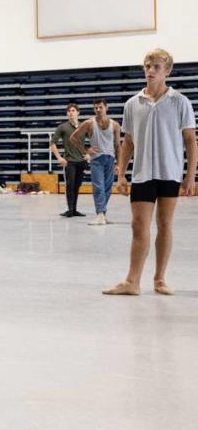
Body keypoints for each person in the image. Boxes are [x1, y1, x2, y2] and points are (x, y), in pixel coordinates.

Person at [103, 49, 196, 296]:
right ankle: (132, 281)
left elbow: (190, 140)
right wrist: (121, 174)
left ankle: (160, 279)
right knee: (138, 225)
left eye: (156, 66)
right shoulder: (132, 104)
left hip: (170, 172)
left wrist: (190, 176)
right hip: (143, 173)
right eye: (147, 65)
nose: (150, 70)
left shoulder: (180, 102)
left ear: (167, 71)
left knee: (165, 224)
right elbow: (128, 142)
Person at [70, 99, 121, 226]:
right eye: (95, 108)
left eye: (100, 107)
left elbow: (117, 145)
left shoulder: (115, 125)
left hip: (110, 159)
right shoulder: (89, 123)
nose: (98, 110)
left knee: (107, 188)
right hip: (97, 160)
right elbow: (73, 138)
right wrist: (86, 150)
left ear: (106, 108)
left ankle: (102, 214)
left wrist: (119, 164)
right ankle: (99, 214)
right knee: (98, 187)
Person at [51, 103, 91, 218]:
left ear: (78, 113)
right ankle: (70, 210)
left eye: (73, 111)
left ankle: (74, 210)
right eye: (69, 111)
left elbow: (94, 140)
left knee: (77, 186)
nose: (70, 113)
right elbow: (52, 143)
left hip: (81, 161)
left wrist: (89, 154)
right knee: (70, 185)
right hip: (69, 162)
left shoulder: (84, 127)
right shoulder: (62, 127)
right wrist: (59, 157)